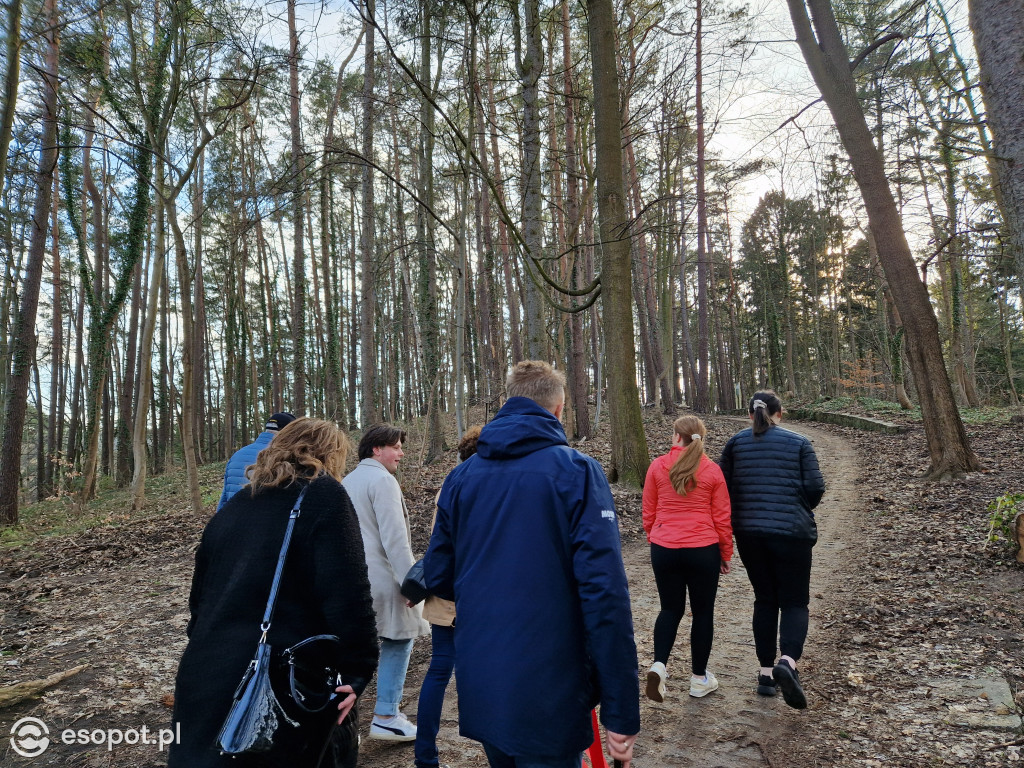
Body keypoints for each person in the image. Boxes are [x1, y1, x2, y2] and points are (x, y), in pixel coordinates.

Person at [423, 360, 640, 768]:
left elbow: (437, 575)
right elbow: (605, 594)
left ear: (510, 403)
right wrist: (621, 711)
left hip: (485, 681)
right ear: (558, 410)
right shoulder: (578, 472)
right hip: (551, 686)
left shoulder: (462, 477)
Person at [169, 418, 379, 768]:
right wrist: (359, 670)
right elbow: (348, 594)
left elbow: (199, 599)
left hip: (205, 672)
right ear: (330, 455)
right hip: (275, 682)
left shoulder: (237, 504)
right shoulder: (322, 495)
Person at [719, 390, 825, 710]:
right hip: (792, 534)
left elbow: (721, 486)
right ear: (779, 413)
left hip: (750, 534)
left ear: (750, 414)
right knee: (794, 601)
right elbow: (816, 487)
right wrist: (799, 508)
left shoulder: (735, 444)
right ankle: (788, 663)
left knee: (765, 598)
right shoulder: (800, 442)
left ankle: (766, 675)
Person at [342, 423, 428, 741]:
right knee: (399, 639)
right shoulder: (382, 480)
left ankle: (343, 718)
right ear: (377, 449)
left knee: (356, 647)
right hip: (383, 578)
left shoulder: (348, 481)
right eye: (396, 447)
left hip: (352, 579)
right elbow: (395, 539)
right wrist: (413, 583)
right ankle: (387, 715)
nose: (401, 453)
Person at [642, 415, 732, 702]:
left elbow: (649, 511)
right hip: (702, 549)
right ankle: (699, 679)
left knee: (669, 609)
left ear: (676, 437)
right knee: (702, 613)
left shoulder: (658, 466)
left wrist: (656, 538)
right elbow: (722, 517)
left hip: (664, 548)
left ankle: (659, 666)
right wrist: (725, 552)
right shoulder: (712, 470)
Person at [413, 425, 482, 768]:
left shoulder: (449, 486)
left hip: (444, 588)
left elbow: (436, 543)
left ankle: (425, 755)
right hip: (477, 591)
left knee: (439, 669)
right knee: (484, 670)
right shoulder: (486, 484)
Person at [218, 411, 297, 510]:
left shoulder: (237, 455)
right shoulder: (286, 456)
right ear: (289, 432)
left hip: (232, 520)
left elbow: (224, 499)